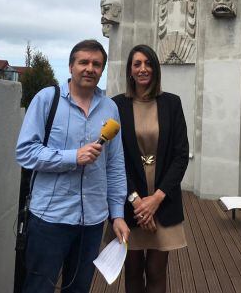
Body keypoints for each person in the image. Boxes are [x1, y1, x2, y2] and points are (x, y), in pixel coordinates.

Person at [16, 39, 129, 293]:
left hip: (92, 222)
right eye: (84, 62)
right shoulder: (47, 99)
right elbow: (25, 152)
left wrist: (117, 214)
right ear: (70, 67)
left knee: (78, 288)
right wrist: (72, 157)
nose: (90, 68)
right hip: (49, 218)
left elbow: (115, 164)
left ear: (102, 70)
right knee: (37, 288)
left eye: (97, 64)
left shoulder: (110, 108)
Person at [112, 44, 189, 293]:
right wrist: (137, 202)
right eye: (137, 64)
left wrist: (156, 199)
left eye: (148, 63)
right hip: (130, 200)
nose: (143, 68)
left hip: (163, 198)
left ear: (155, 68)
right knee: (132, 271)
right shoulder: (116, 106)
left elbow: (180, 156)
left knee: (156, 271)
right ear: (130, 71)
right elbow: (115, 161)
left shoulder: (172, 104)